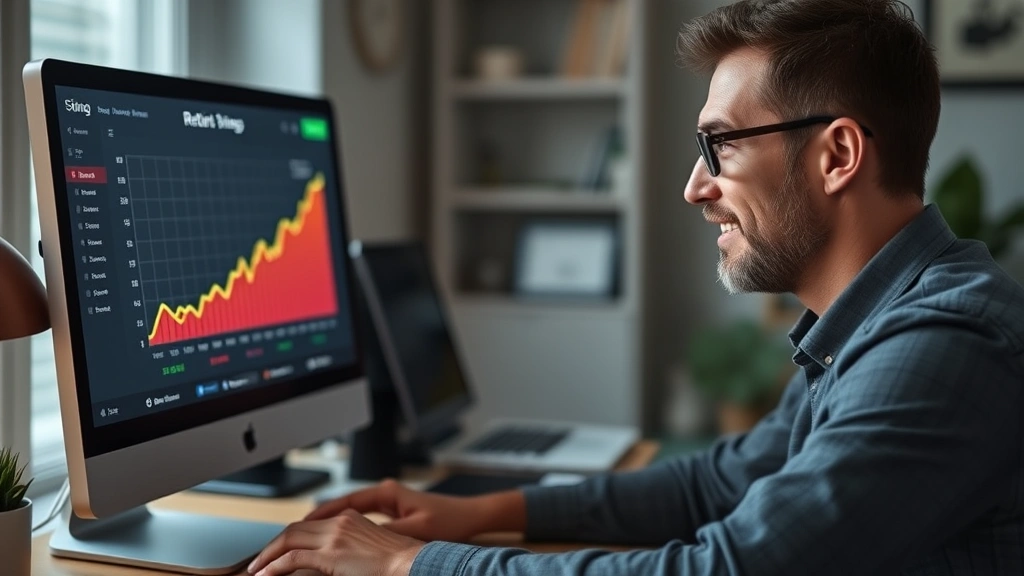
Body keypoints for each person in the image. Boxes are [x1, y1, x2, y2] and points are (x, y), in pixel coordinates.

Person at [247, 1, 1024, 574]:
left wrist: (403, 565)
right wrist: (482, 511)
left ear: (837, 155)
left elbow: (729, 569)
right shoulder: (871, 322)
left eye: (719, 145)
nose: (695, 187)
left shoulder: (944, 344)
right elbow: (725, 481)